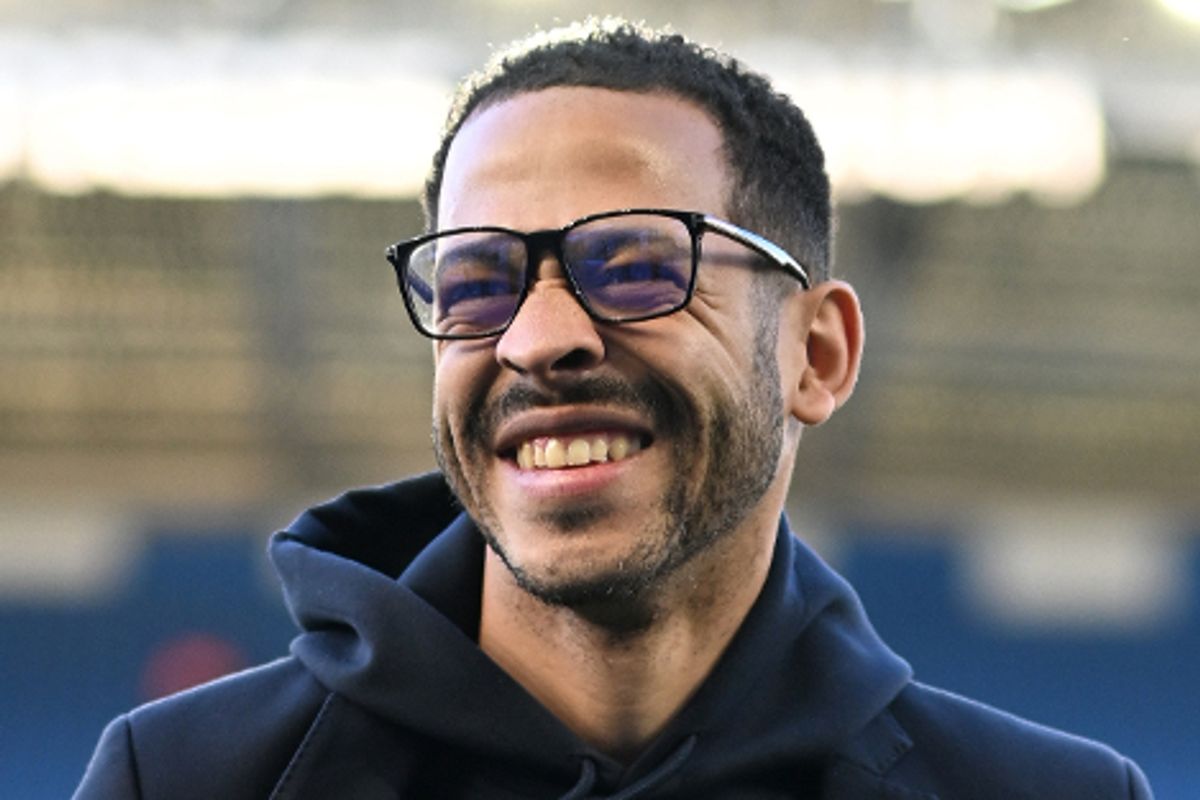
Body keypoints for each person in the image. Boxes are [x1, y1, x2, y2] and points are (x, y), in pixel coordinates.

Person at [75, 18, 1153, 799]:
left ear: (816, 353)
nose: (539, 337)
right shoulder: (184, 778)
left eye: (636, 264)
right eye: (476, 282)